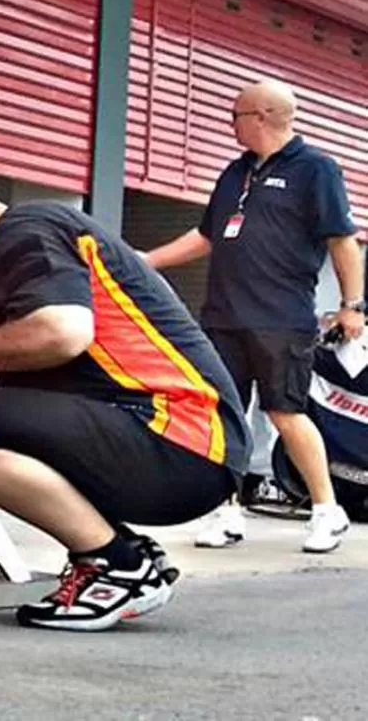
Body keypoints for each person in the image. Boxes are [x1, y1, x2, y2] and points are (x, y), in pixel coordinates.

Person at [0, 165, 251, 632]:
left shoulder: (24, 232)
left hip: (180, 437)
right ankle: (124, 556)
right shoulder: (14, 274)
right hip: (183, 453)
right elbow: (18, 442)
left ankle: (116, 566)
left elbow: (64, 331)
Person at [144, 79, 365, 553]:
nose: (230, 123)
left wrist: (352, 306)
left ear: (261, 117)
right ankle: (226, 510)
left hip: (282, 319)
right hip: (223, 316)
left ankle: (328, 510)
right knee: (222, 414)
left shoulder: (316, 170)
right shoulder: (235, 172)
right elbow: (206, 236)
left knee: (285, 412)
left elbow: (342, 241)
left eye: (235, 115)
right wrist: (146, 261)